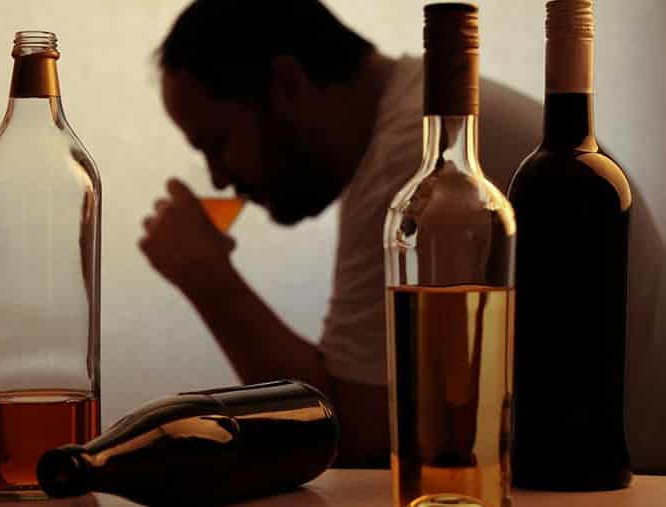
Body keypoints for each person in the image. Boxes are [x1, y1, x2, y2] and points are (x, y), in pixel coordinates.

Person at [138, 0, 666, 471]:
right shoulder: (400, 130)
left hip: (615, 483)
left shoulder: (415, 161)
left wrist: (207, 278)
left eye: (217, 142)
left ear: (287, 84)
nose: (218, 178)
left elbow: (352, 436)